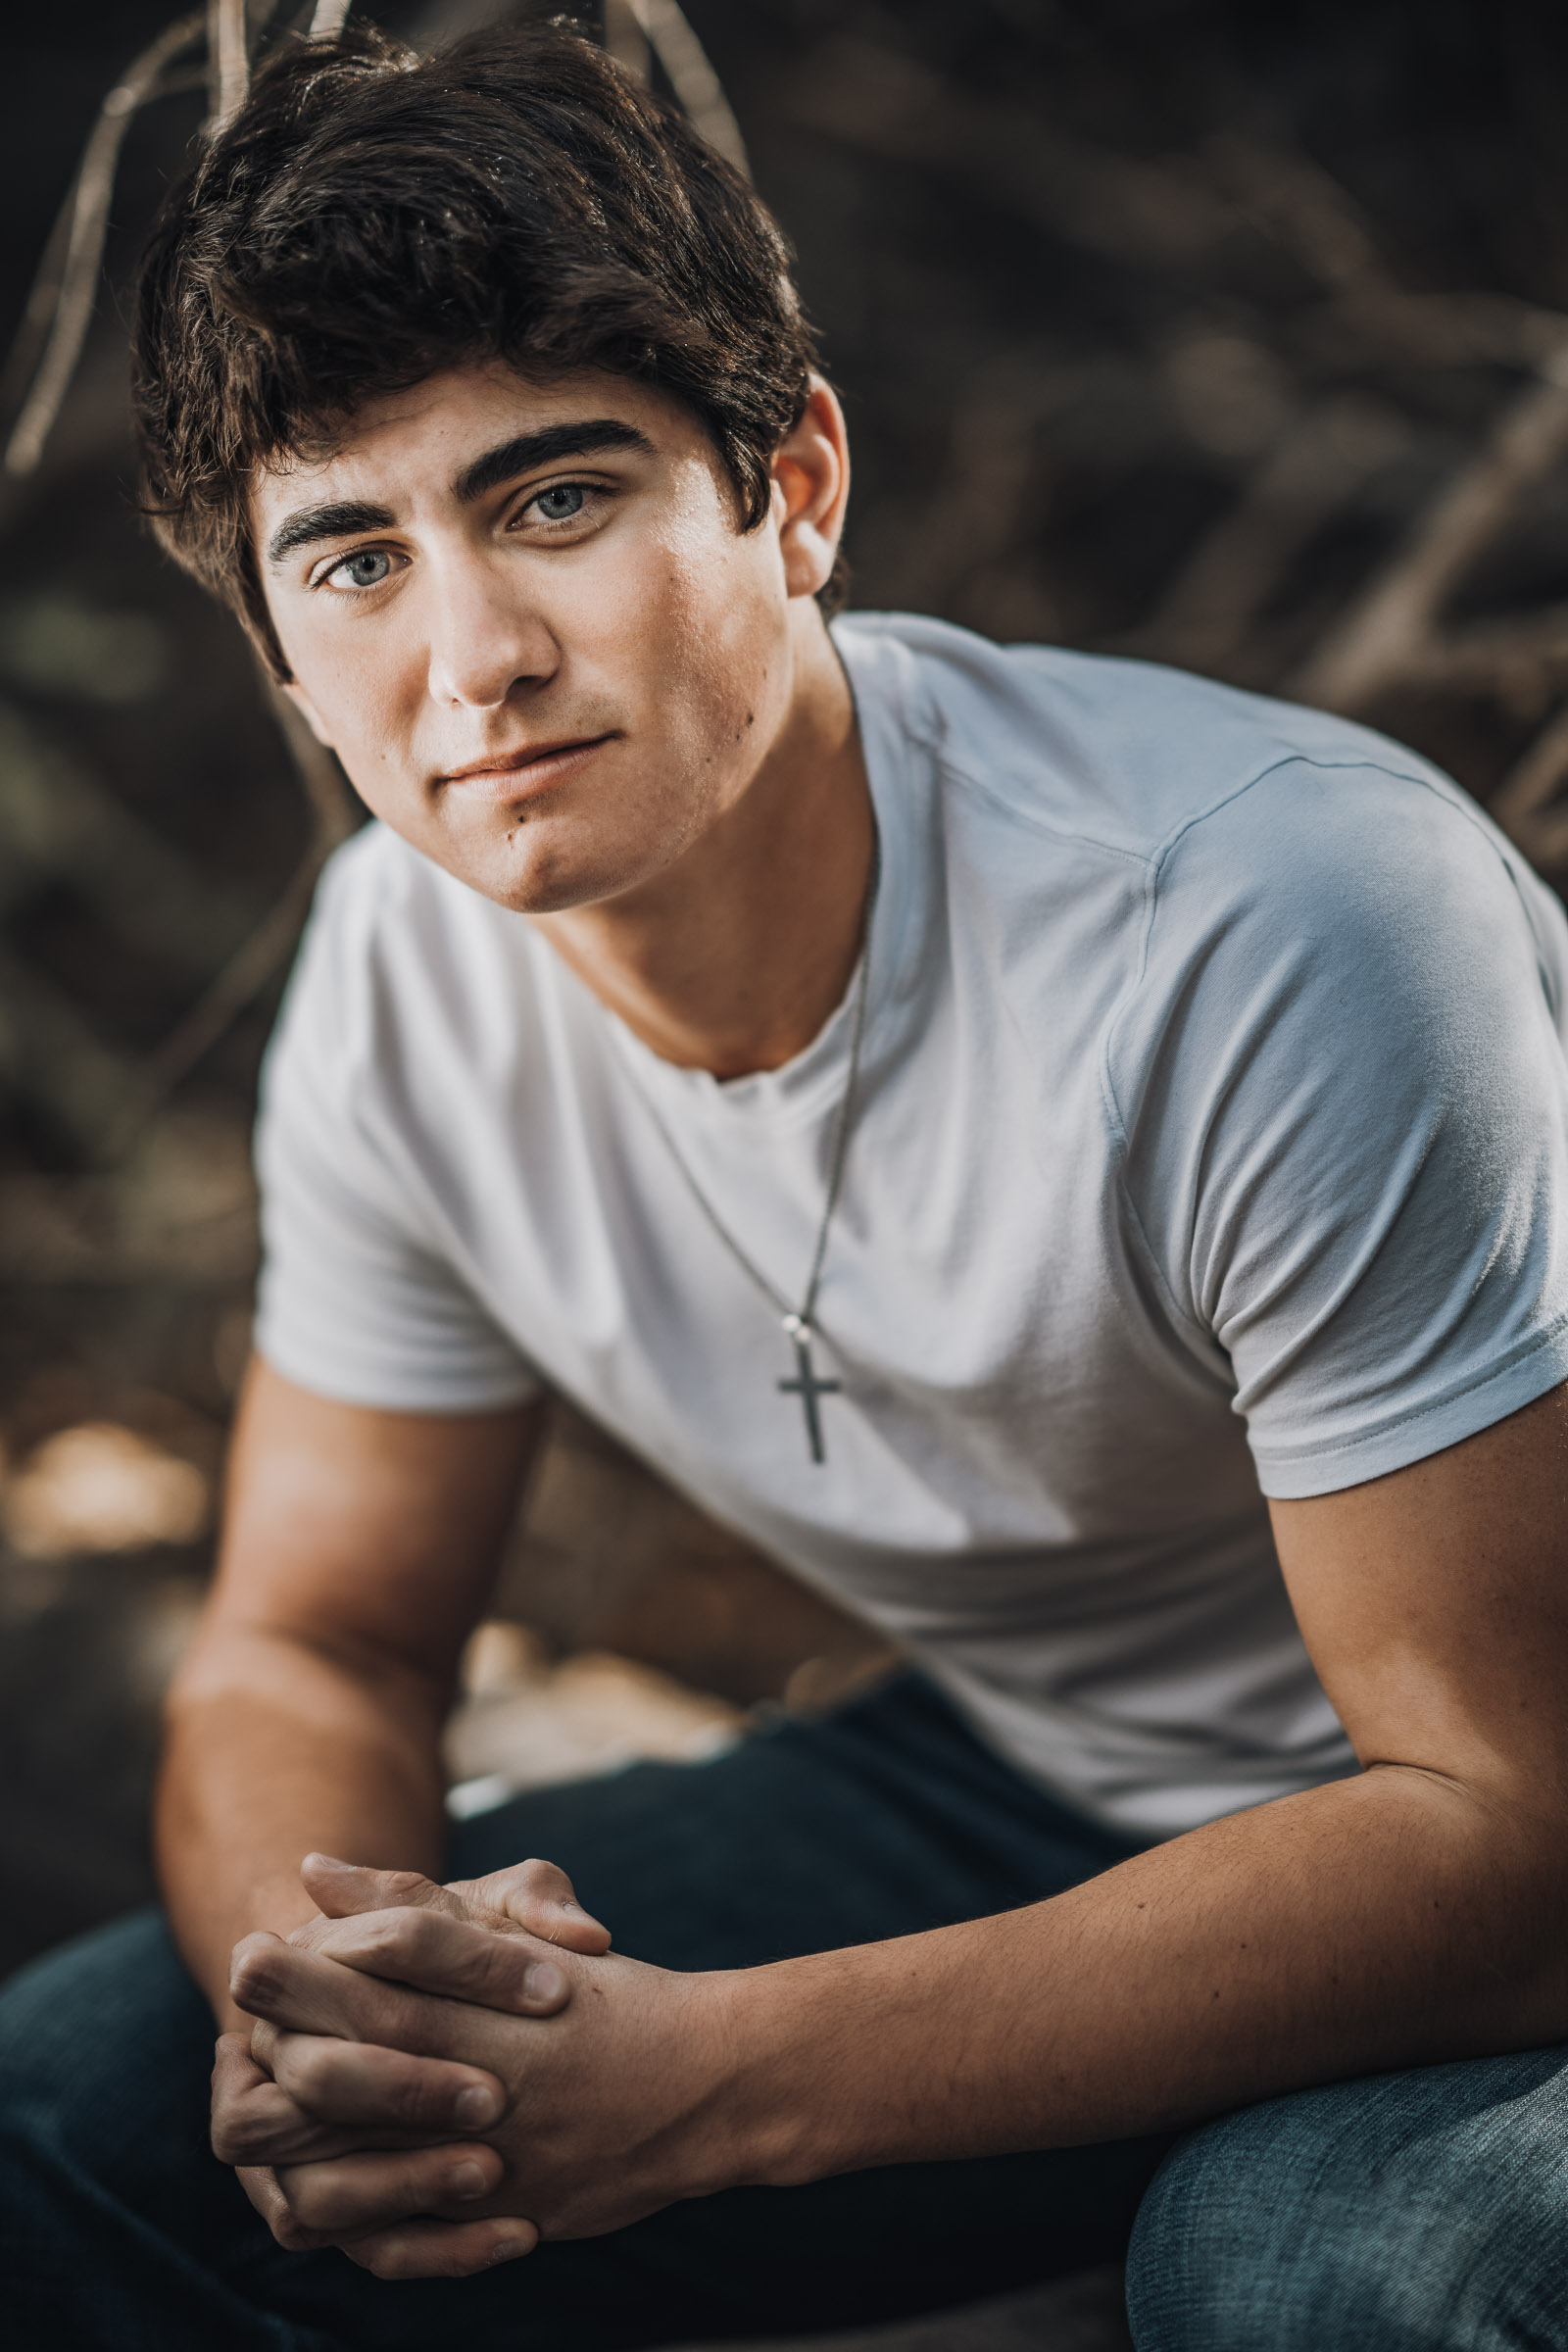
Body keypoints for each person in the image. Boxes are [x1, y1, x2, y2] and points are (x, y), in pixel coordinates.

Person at [3, 19, 1567, 2350]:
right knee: (84, 2116)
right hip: (1046, 1789)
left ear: (794, 484)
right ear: (278, 659)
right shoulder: (401, 980)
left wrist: (722, 2085)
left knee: (1297, 2262)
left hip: (1481, 1840)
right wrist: (328, 1997)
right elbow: (313, 1639)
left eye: (556, 499)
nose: (475, 661)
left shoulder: (1268, 924)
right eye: (350, 559)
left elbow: (1506, 1834)